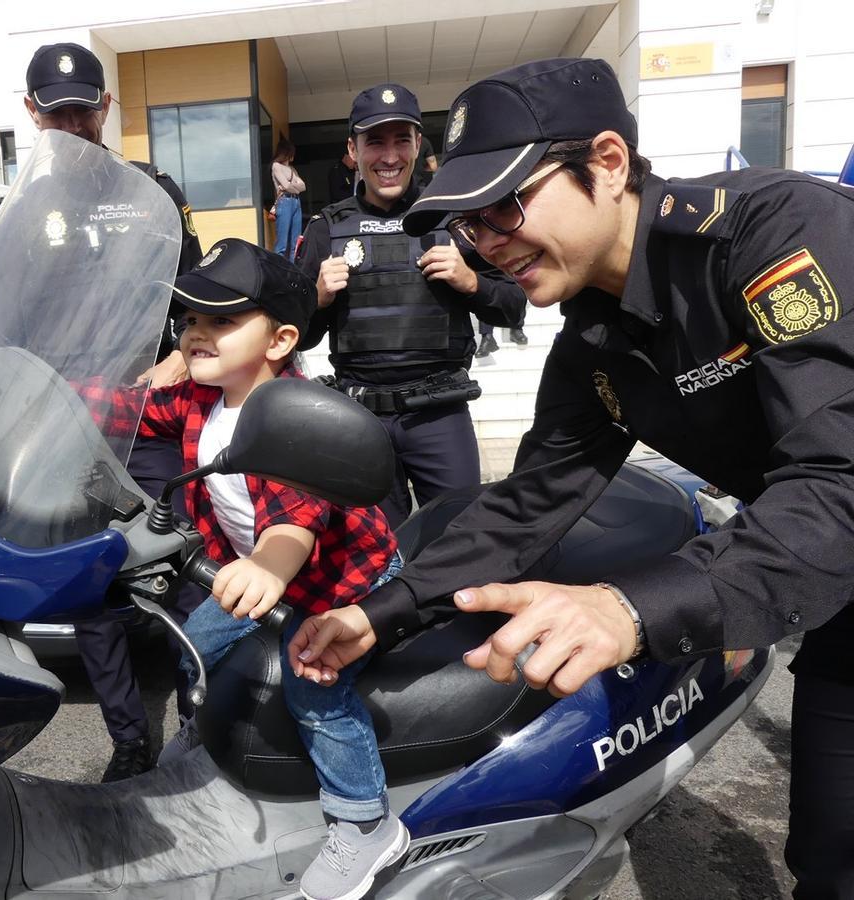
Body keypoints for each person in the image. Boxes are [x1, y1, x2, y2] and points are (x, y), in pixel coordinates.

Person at [288, 57, 854, 897]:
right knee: (831, 860)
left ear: (611, 162)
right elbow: (526, 507)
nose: (488, 240)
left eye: (506, 205)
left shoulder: (774, 234)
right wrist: (382, 612)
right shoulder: (594, 337)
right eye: (470, 225)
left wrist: (630, 606)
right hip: (832, 588)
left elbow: (838, 485)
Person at [86, 238, 408, 900]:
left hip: (339, 580)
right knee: (194, 644)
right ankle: (202, 742)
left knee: (312, 683)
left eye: (223, 321)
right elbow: (128, 408)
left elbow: (299, 514)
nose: (198, 333)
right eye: (190, 319)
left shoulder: (295, 415)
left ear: (281, 339)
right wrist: (30, 389)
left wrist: (267, 565)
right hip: (251, 570)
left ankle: (365, 822)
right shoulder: (203, 398)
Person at [25, 41, 204, 781]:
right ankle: (131, 741)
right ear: (31, 114)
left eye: (84, 108)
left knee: (189, 568)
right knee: (92, 592)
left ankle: (204, 721)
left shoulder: (151, 193)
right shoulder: (22, 209)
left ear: (105, 109)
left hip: (149, 414)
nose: (73, 123)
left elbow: (204, 296)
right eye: (56, 111)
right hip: (71, 425)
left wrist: (180, 357)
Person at [295, 82, 527, 527]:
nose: (389, 156)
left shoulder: (456, 216)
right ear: (352, 149)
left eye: (402, 139)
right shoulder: (328, 228)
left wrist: (471, 281)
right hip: (360, 421)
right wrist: (318, 298)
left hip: (439, 416)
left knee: (461, 544)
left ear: (418, 144)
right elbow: (299, 335)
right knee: (377, 559)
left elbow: (514, 307)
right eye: (375, 141)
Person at [271, 137, 306, 261]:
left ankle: (292, 273)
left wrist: (292, 187)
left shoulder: (292, 169)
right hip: (284, 202)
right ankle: (279, 272)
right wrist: (294, 187)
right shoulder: (276, 166)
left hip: (296, 202)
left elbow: (303, 186)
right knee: (282, 244)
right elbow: (286, 186)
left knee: (295, 243)